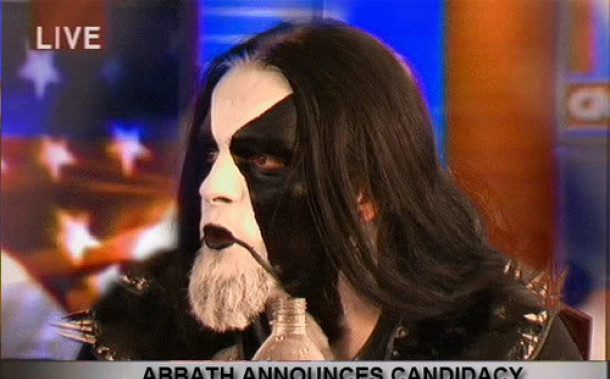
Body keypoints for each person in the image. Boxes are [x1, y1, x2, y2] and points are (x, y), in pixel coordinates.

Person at [67, 20, 583, 361]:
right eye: (210, 155)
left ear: (367, 192)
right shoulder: (140, 327)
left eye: (264, 161)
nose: (212, 187)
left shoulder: (500, 338)